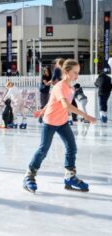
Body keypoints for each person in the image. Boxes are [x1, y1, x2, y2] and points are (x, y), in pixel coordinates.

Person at [23, 59, 96, 193]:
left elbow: (52, 100)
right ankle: (29, 175)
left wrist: (42, 109)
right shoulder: (60, 86)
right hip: (50, 122)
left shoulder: (70, 87)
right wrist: (86, 116)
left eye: (78, 72)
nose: (77, 76)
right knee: (43, 150)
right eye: (75, 73)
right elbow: (66, 105)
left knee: (71, 147)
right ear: (67, 72)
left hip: (62, 122)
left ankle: (69, 177)